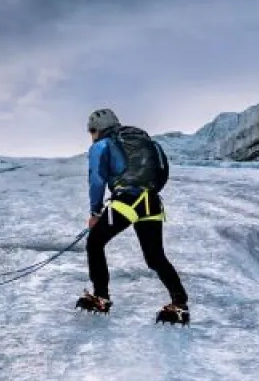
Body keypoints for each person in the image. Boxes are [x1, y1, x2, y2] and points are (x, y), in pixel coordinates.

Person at [78, 109, 189, 324]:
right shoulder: (142, 142)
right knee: (155, 257)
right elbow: (162, 173)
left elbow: (97, 180)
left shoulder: (102, 145)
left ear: (97, 130)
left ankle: (101, 297)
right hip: (152, 202)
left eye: (91, 131)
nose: (91, 135)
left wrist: (95, 212)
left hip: (127, 201)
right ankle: (180, 303)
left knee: (95, 243)